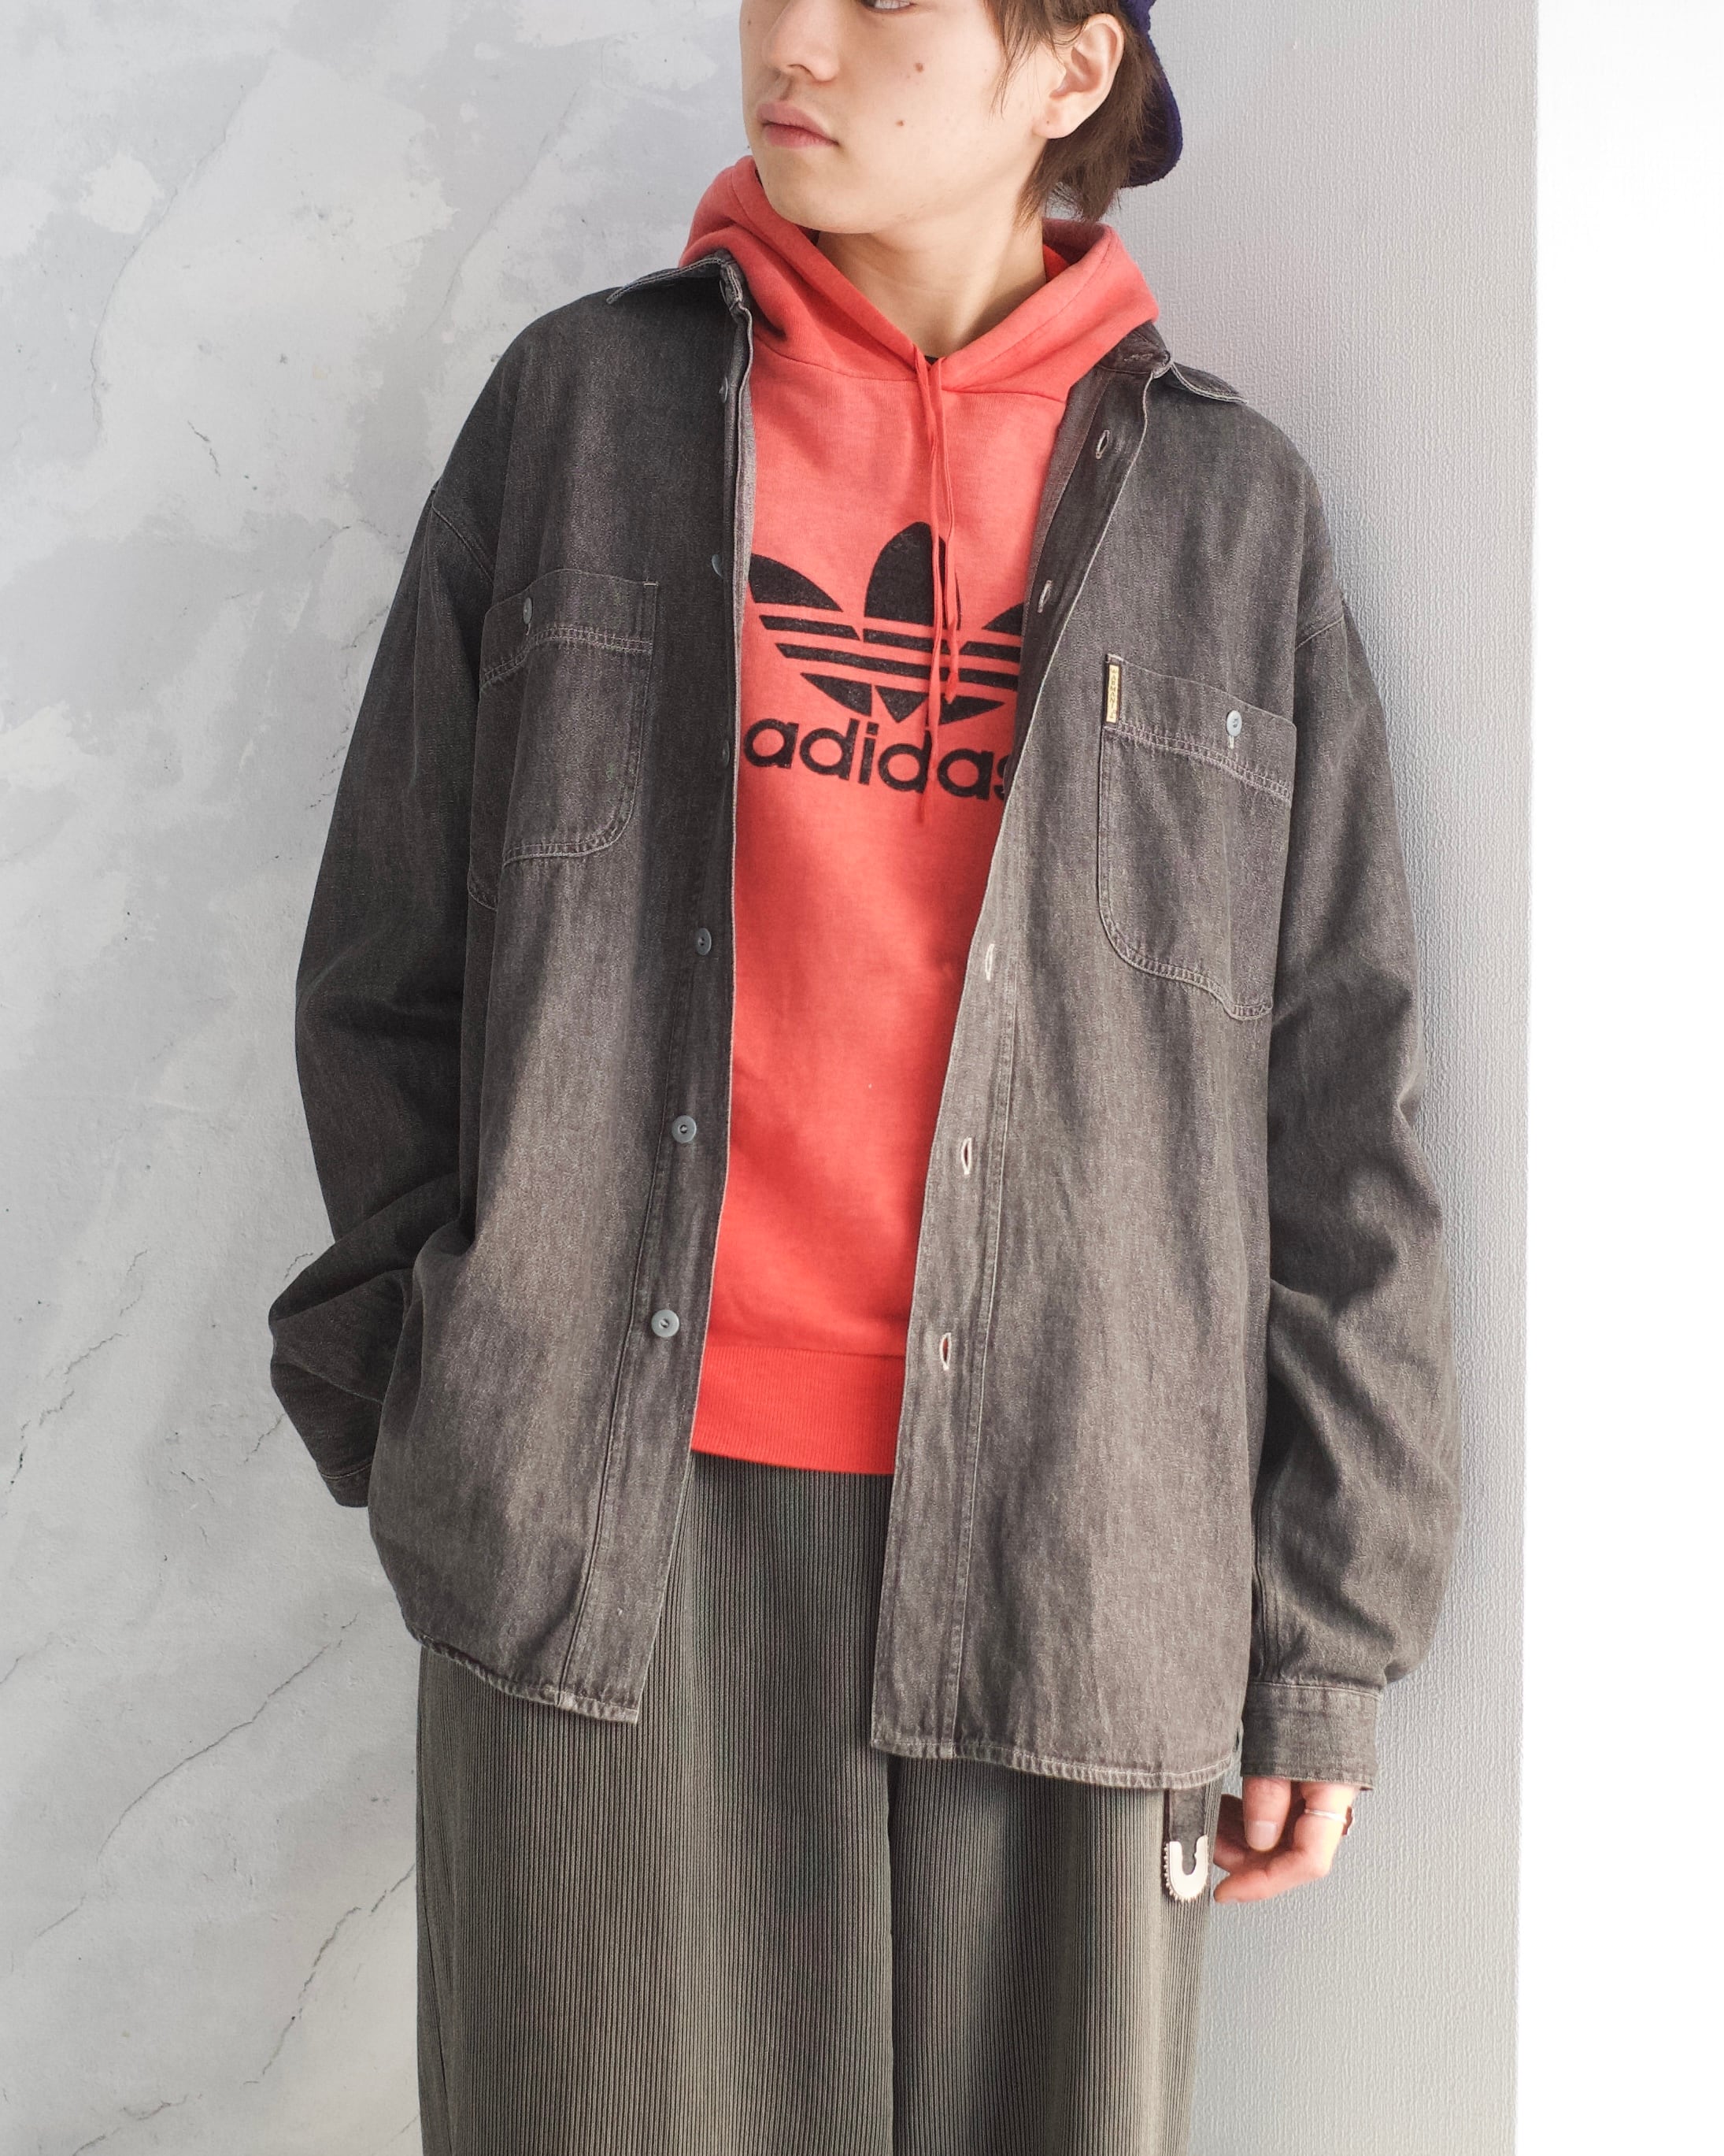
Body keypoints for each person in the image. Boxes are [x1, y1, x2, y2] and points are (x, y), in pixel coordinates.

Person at [268, 2, 1460, 2148]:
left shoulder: (1232, 517)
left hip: (1084, 1545)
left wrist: (1324, 1635)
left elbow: (1339, 1104)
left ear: (1071, 67)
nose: (794, 40)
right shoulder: (583, 416)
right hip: (611, 1530)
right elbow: (387, 965)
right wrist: (440, 1412)